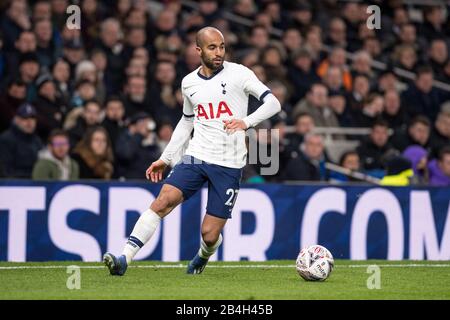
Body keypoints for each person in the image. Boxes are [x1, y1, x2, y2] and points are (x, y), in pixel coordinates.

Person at [103, 27, 281, 276]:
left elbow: (273, 102)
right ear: (198, 50)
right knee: (162, 201)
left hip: (229, 164)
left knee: (209, 235)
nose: (218, 52)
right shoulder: (189, 82)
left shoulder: (240, 73)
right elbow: (187, 121)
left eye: (221, 46)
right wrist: (166, 158)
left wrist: (246, 122)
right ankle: (124, 258)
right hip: (196, 156)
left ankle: (202, 255)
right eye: (212, 47)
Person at [0, 103, 43, 178]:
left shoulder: (37, 140)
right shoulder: (6, 140)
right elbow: (6, 171)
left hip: (36, 184)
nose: (29, 122)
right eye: (25, 118)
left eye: (32, 118)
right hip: (15, 185)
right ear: (17, 120)